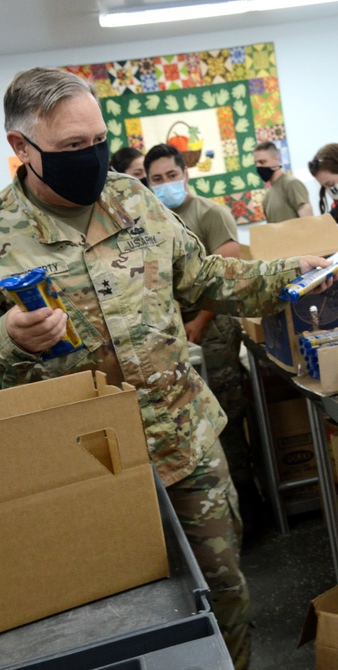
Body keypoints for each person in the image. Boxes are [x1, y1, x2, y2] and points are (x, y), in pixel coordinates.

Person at [0, 67, 333, 670]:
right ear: (20, 149)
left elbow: (208, 279)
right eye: (69, 148)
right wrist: (5, 338)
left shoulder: (134, 200)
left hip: (183, 447)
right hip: (81, 469)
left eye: (97, 141)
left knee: (225, 596)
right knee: (120, 620)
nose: (90, 158)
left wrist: (292, 273)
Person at [143, 143, 259, 532]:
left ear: (185, 174)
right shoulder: (152, 218)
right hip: (177, 332)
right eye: (156, 179)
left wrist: (200, 322)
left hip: (213, 328)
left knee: (224, 413)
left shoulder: (209, 214)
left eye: (171, 176)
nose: (165, 184)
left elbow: (228, 271)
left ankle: (248, 508)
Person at [253, 141, 312, 223]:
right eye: (256, 163)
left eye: (262, 162)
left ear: (276, 158)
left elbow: (309, 222)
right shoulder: (267, 196)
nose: (258, 166)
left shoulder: (291, 184)